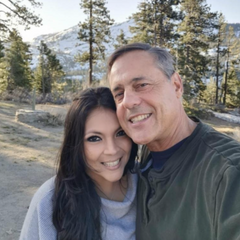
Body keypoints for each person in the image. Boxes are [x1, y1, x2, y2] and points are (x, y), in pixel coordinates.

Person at [108, 43, 240, 240]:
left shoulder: (228, 174)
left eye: (142, 85)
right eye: (119, 94)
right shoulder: (142, 158)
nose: (128, 101)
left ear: (177, 85)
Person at [19, 87, 138, 240]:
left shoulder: (149, 184)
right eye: (94, 138)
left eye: (120, 133)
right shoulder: (50, 200)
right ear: (76, 145)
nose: (112, 150)